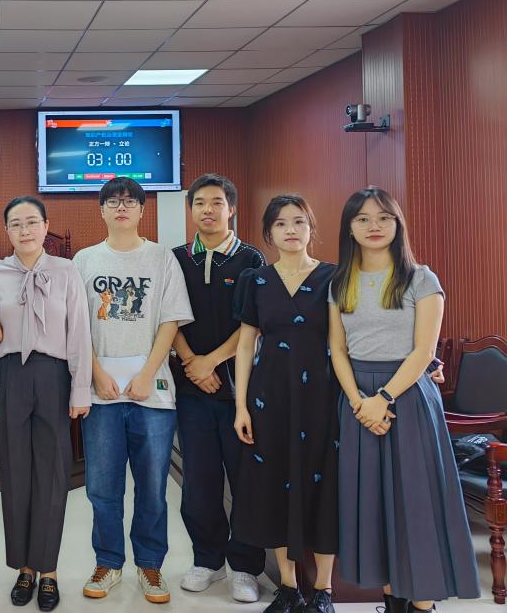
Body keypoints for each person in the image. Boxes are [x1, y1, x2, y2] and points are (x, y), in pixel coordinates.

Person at [328, 187, 479, 613]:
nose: (373, 226)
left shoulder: (421, 278)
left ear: (398, 224)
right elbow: (337, 349)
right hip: (358, 401)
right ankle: (393, 602)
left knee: (415, 502)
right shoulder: (339, 282)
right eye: (362, 218)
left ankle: (423, 605)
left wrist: (383, 398)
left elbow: (424, 351)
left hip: (407, 396)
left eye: (383, 217)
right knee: (373, 506)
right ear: (350, 228)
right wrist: (359, 402)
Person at [72, 177, 194, 605]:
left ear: (143, 210)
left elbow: (170, 320)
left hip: (152, 394)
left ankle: (150, 564)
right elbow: (76, 325)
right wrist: (95, 372)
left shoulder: (162, 258)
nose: (121, 207)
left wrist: (147, 373)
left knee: (152, 488)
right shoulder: (84, 260)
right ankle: (108, 562)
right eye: (112, 201)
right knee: (102, 489)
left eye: (129, 201)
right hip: (101, 394)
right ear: (101, 210)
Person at [0, 196, 92, 612]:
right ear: (7, 230)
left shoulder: (66, 270)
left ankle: (49, 570)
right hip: (12, 375)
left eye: (31, 222)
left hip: (53, 376)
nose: (24, 230)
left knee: (53, 475)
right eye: (16, 224)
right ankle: (24, 567)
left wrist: (81, 389)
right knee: (15, 473)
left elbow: (79, 332)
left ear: (45, 226)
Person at [232, 195, 338, 613]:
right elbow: (245, 345)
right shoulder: (256, 280)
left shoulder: (335, 277)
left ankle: (324, 590)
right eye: (280, 223)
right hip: (268, 397)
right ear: (268, 233)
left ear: (311, 228)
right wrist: (241, 406)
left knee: (324, 488)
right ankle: (289, 587)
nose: (290, 230)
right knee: (274, 483)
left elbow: (357, 337)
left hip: (323, 398)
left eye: (298, 222)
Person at [171, 174, 267, 602]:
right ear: (190, 209)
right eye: (199, 203)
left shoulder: (251, 258)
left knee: (245, 481)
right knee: (199, 481)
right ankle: (207, 560)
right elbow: (167, 318)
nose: (207, 210)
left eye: (216, 202)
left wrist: (211, 361)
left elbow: (253, 323)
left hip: (239, 391)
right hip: (191, 391)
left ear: (232, 209)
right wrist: (193, 363)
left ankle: (244, 567)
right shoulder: (176, 259)